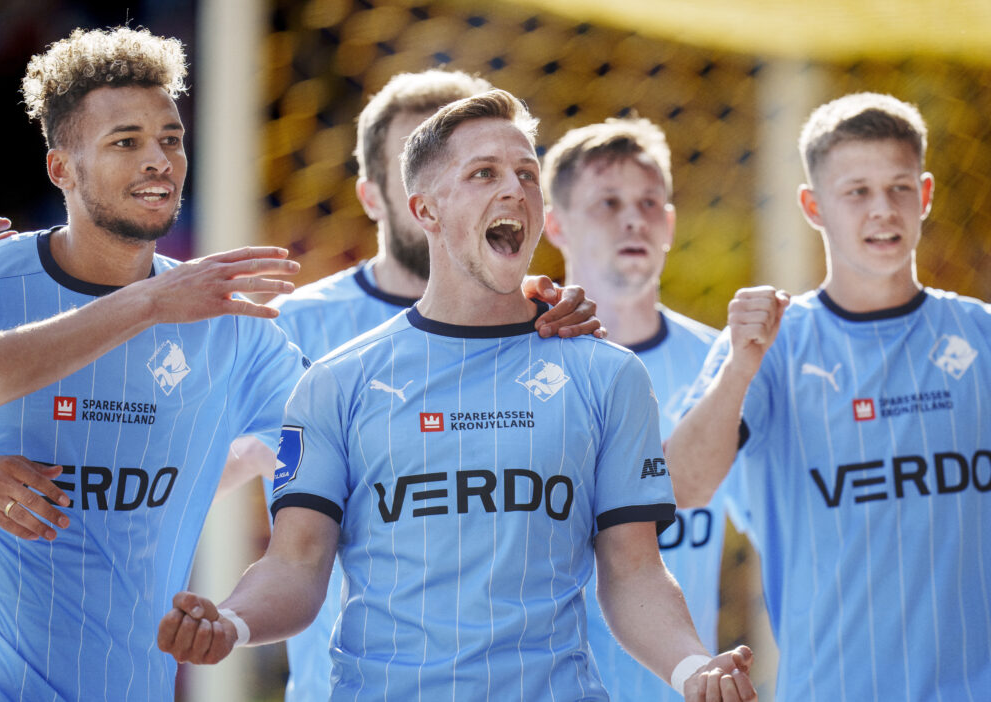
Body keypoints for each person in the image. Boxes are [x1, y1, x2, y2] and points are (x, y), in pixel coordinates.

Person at [158, 89, 756, 702]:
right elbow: (296, 565)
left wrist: (691, 668)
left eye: (527, 173)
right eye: (483, 173)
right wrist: (230, 620)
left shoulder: (608, 375)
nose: (514, 189)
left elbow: (634, 572)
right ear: (426, 209)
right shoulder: (338, 380)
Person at [0, 27, 306, 701]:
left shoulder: (229, 321)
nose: (159, 160)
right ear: (61, 168)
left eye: (171, 139)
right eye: (125, 141)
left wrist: (199, 478)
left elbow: (314, 437)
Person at [264, 68, 603, 700]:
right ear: (381, 195)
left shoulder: (548, 325)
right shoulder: (297, 332)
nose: (480, 189)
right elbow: (199, 465)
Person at [666, 92, 991, 700]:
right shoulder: (774, 347)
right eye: (856, 192)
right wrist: (739, 369)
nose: (882, 211)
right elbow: (680, 488)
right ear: (814, 207)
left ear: (924, 195)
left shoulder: (981, 337)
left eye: (898, 188)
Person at [542, 117, 732, 702]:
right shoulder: (516, 364)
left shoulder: (722, 364)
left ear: (670, 224)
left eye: (650, 202)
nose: (633, 219)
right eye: (607, 203)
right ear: (556, 225)